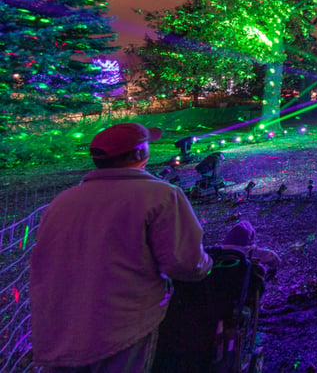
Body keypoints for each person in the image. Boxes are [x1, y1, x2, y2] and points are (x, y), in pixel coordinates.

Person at [30, 123, 213, 372]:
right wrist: (208, 264)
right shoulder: (161, 196)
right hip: (122, 328)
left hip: (61, 330)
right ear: (140, 154)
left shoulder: (62, 201)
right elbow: (184, 264)